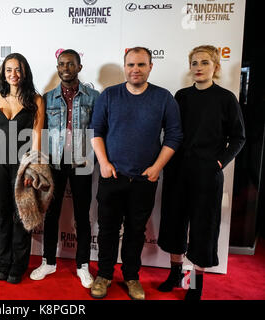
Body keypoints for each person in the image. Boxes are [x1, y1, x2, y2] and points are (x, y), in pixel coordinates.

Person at [89, 47, 183, 300]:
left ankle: (131, 277)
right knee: (107, 230)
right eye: (131, 65)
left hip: (144, 180)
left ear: (151, 66)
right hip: (112, 177)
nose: (135, 69)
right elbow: (95, 131)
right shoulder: (109, 95)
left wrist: (156, 168)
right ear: (125, 67)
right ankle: (104, 275)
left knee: (136, 231)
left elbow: (174, 136)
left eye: (141, 65)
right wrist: (104, 164)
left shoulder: (164, 98)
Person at [157, 45, 245, 300]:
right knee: (173, 223)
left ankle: (194, 284)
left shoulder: (226, 98)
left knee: (202, 229)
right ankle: (175, 275)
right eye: (194, 63)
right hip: (177, 172)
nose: (198, 67)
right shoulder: (181, 96)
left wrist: (218, 163)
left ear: (215, 67)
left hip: (207, 174)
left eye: (204, 63)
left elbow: (239, 138)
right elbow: (172, 132)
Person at [29, 49, 99, 288]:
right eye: (61, 64)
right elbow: (40, 133)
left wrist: (94, 160)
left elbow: (100, 132)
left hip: (82, 163)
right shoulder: (47, 98)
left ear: (79, 67)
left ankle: (82, 265)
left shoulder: (93, 97)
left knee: (82, 216)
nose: (65, 68)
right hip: (54, 164)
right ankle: (48, 261)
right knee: (51, 214)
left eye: (71, 64)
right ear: (57, 67)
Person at [0, 53, 45, 284]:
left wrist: (33, 168)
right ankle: (3, 263)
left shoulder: (35, 99)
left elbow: (37, 135)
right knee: (3, 215)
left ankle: (18, 266)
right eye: (9, 69)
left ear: (25, 72)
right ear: (4, 73)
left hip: (24, 164)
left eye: (18, 69)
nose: (13, 74)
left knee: (22, 216)